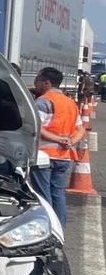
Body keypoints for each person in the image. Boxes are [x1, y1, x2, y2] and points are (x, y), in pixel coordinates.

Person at [32, 66, 85, 228]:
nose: (36, 83)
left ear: (46, 83)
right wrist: (69, 142)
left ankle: (47, 228)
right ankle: (59, 228)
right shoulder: (70, 103)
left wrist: (57, 139)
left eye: (38, 80)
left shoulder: (43, 102)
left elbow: (37, 128)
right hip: (63, 157)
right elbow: (81, 129)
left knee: (43, 195)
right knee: (58, 194)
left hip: (44, 156)